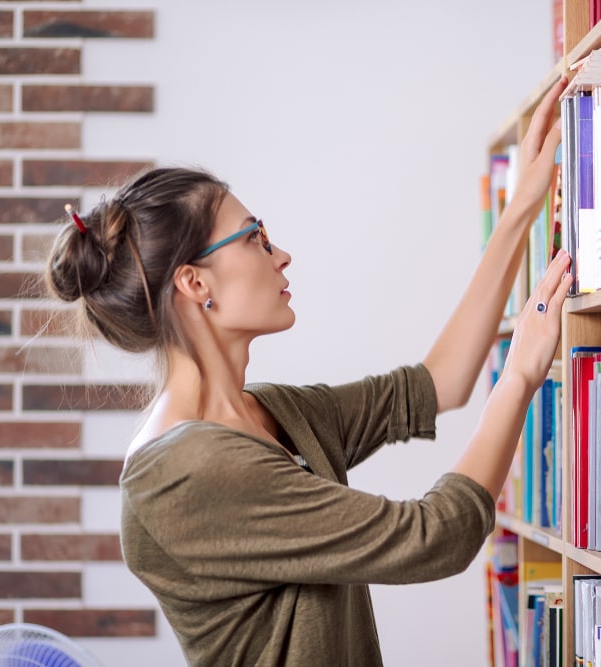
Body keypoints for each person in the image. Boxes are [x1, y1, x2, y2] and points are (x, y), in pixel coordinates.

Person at [43, 77, 570, 666]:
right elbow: (434, 538)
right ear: (195, 283)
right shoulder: (186, 473)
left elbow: (436, 384)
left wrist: (524, 201)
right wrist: (520, 374)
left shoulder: (270, 412)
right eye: (255, 238)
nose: (281, 253)